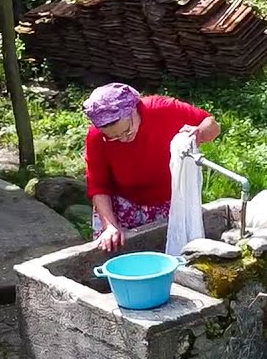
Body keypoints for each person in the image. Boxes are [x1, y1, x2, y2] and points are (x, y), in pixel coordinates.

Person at [83, 82, 221, 252]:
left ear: (134, 110)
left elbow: (213, 126)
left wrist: (198, 133)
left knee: (171, 252)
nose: (123, 139)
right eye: (113, 137)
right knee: (117, 252)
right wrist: (110, 226)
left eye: (127, 131)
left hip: (167, 199)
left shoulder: (163, 110)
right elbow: (98, 184)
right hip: (122, 203)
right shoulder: (96, 137)